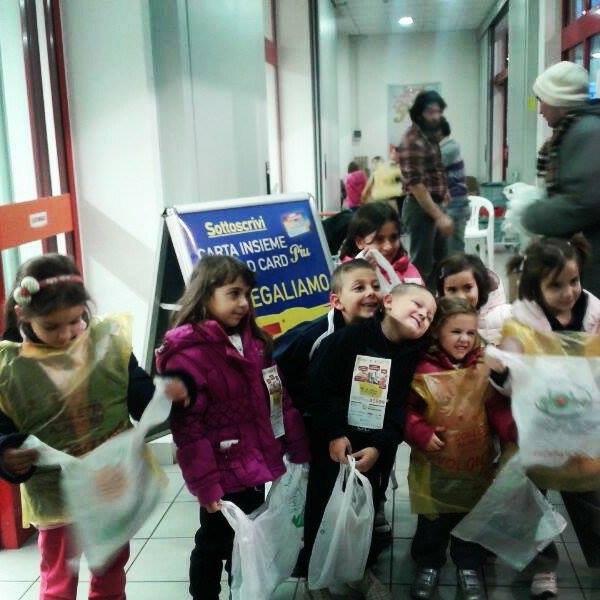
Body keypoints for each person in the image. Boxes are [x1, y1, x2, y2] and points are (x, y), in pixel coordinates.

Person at [0, 254, 190, 600]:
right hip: (55, 494)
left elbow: (138, 395)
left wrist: (166, 393)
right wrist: (7, 453)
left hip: (110, 485)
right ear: (22, 315)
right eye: (51, 327)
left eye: (75, 321)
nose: (65, 335)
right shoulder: (10, 369)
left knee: (111, 571)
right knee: (58, 580)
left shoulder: (107, 345)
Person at [154, 255, 310, 600]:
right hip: (221, 470)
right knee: (214, 543)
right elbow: (189, 431)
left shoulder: (255, 343)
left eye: (247, 295)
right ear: (205, 294)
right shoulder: (188, 354)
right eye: (234, 294)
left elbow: (277, 397)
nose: (244, 303)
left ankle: (241, 591)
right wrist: (206, 486)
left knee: (245, 539)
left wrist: (298, 446)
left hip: (253, 464)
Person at [301, 283, 437, 599]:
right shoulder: (349, 339)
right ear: (388, 302)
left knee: (365, 510)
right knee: (322, 508)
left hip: (375, 449)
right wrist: (334, 433)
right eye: (417, 304)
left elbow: (401, 406)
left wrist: (380, 446)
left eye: (430, 315)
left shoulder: (415, 355)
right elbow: (319, 390)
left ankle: (357, 571)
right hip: (333, 446)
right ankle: (314, 575)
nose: (423, 314)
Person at [488, 235, 600, 597]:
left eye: (574, 281)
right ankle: (542, 565)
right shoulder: (521, 321)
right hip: (536, 428)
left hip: (582, 427)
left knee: (590, 495)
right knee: (531, 498)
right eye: (556, 286)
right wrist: (501, 372)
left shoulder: (594, 312)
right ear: (536, 286)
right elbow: (507, 381)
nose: (569, 292)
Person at [405, 297, 495, 600]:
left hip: (475, 461)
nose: (464, 339)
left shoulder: (482, 365)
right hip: (434, 463)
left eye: (470, 333)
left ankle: (468, 566)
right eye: (456, 332)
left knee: (470, 517)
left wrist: (511, 433)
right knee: (432, 519)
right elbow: (406, 409)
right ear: (437, 331)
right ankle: (428, 563)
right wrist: (420, 432)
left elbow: (495, 406)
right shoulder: (422, 368)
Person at [522, 61, 600, 297]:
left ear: (559, 100)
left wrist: (532, 215)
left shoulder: (587, 132)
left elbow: (583, 201)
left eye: (543, 100)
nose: (540, 110)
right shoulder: (575, 130)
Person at [398, 90, 454, 287]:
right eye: (431, 112)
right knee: (422, 267)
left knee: (441, 263)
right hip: (420, 207)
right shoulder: (412, 141)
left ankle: (437, 302)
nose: (436, 117)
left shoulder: (429, 138)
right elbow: (416, 185)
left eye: (438, 112)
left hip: (433, 205)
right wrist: (439, 217)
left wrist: (444, 191)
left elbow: (435, 169)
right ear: (419, 113)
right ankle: (421, 303)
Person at [339, 201, 423, 287]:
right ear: (360, 242)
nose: (388, 247)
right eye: (379, 239)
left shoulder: (407, 269)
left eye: (394, 237)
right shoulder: (345, 277)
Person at [435, 253, 512, 345]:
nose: (461, 297)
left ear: (480, 286)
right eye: (452, 290)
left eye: (468, 288)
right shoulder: (436, 322)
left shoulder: (505, 317)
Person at [439, 118, 469, 254]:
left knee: (453, 251)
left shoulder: (448, 149)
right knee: (448, 250)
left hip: (455, 205)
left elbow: (427, 170)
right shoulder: (446, 147)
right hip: (452, 204)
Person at [361, 145, 405, 213]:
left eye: (394, 153)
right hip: (388, 202)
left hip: (395, 202)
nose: (392, 155)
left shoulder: (400, 169)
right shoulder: (384, 169)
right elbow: (367, 189)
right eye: (392, 153)